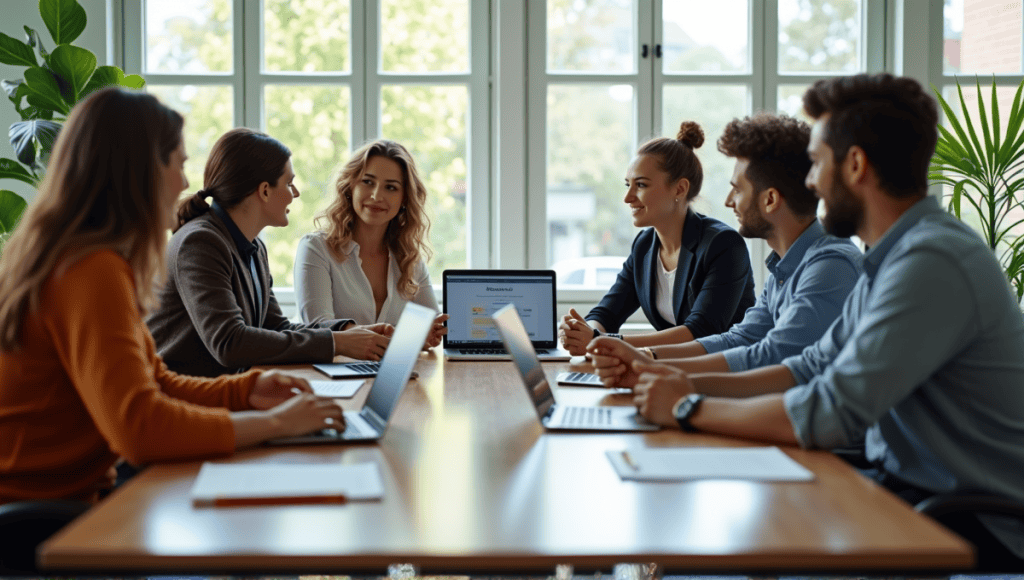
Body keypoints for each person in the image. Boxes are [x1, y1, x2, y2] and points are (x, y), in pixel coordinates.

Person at [629, 74, 1024, 569]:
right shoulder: (892, 258)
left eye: (816, 164)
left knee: (706, 554)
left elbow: (829, 411)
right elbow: (811, 365)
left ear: (855, 164)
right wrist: (678, 382)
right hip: (907, 490)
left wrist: (687, 407)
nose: (809, 183)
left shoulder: (932, 261)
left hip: (967, 523)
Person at [0, 88, 344, 505]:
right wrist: (274, 424)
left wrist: (248, 390)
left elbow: (156, 382)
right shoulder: (89, 271)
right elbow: (140, 428)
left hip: (65, 501)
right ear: (141, 171)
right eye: (178, 164)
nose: (185, 182)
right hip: (45, 518)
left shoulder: (81, 259)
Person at [588, 113, 861, 387]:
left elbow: (771, 356)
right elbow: (738, 339)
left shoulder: (831, 267)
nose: (729, 202)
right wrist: (646, 357)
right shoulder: (785, 266)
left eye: (737, 190)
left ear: (770, 199)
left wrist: (656, 371)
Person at [147, 128, 394, 378]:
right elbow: (229, 343)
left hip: (223, 393)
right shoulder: (200, 242)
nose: (295, 193)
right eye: (289, 183)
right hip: (181, 401)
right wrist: (337, 343)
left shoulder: (253, 247)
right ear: (265, 190)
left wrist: (347, 333)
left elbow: (277, 327)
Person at [558, 121, 756, 354]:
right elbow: (607, 313)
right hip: (669, 369)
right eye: (627, 185)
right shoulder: (644, 246)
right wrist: (583, 332)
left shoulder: (723, 244)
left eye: (640, 185)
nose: (628, 197)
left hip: (725, 374)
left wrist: (603, 341)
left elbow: (701, 331)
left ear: (680, 189)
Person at [294, 139, 447, 349]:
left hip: (393, 372)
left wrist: (430, 334)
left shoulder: (409, 258)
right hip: (333, 375)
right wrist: (408, 336)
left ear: (404, 199)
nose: (376, 195)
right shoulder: (316, 248)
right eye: (368, 182)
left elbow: (431, 325)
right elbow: (319, 329)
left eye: (391, 187)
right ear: (351, 186)